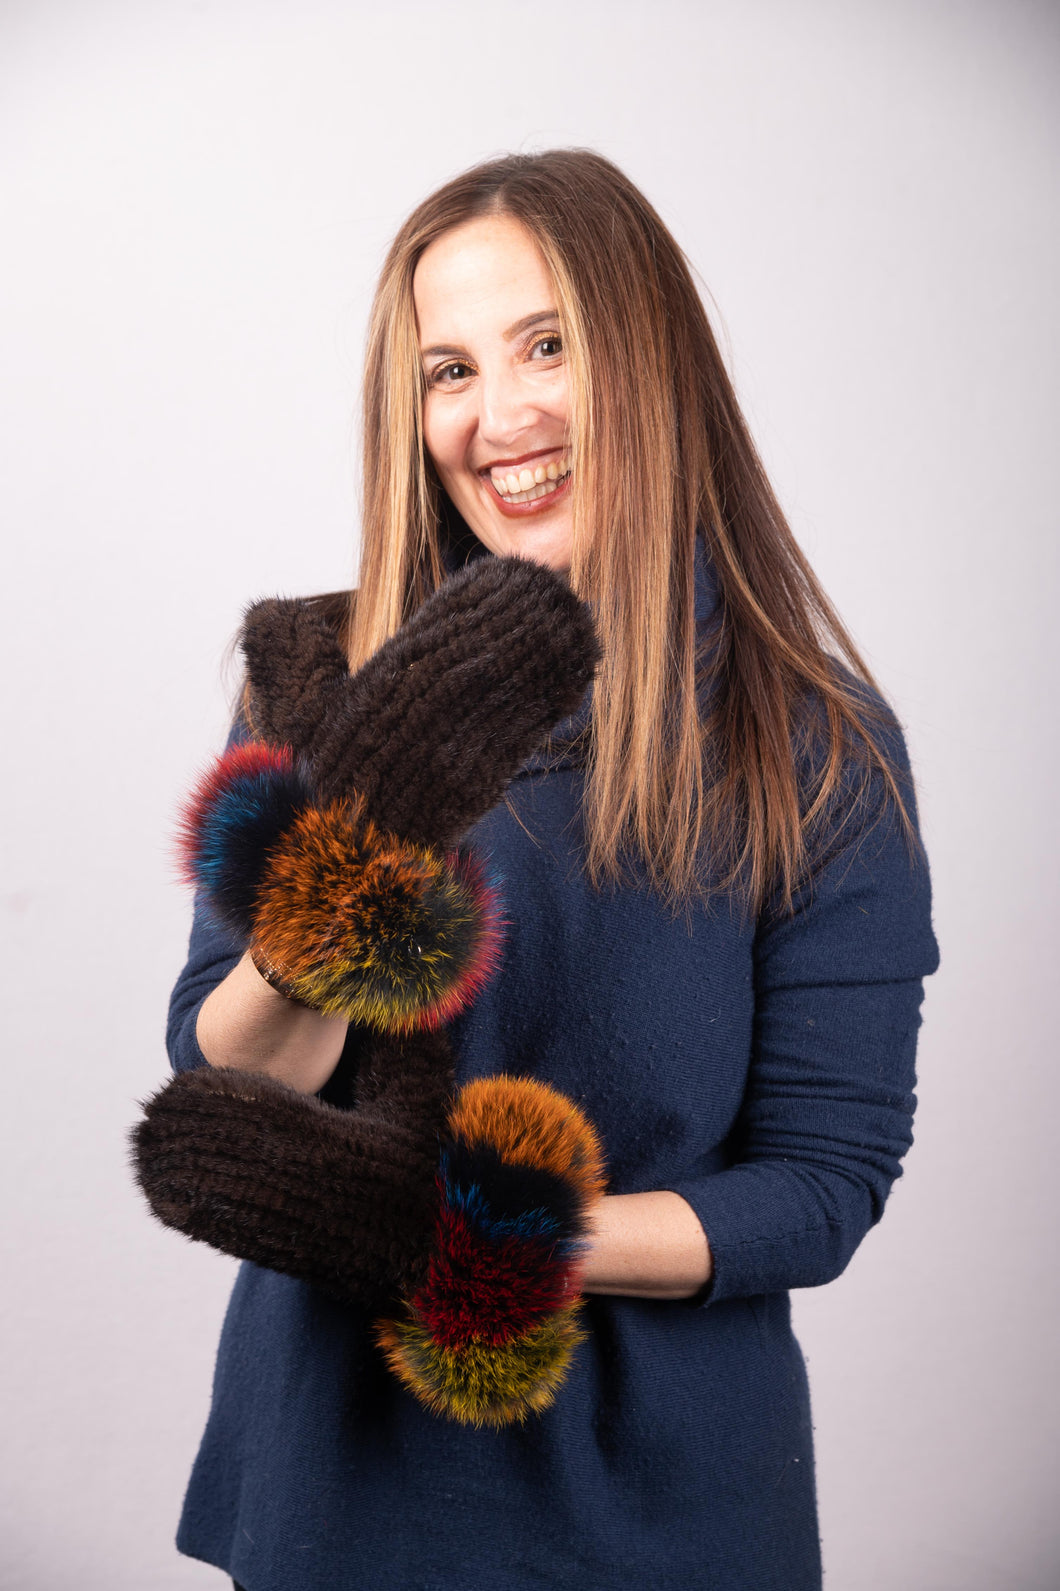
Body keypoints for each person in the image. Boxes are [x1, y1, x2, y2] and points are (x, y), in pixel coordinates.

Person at [150, 148, 940, 1590]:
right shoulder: (320, 682)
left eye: (547, 345)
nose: (497, 417)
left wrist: (466, 1237)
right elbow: (222, 1080)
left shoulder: (812, 745)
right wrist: (337, 901)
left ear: (649, 357)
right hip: (335, 1503)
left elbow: (820, 1186)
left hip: (657, 1520)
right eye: (447, 371)